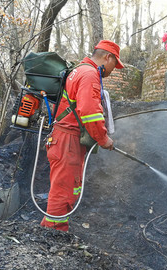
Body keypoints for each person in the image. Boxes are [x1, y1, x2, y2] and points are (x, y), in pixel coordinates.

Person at [40, 40, 124, 232]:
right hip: (67, 141)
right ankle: (53, 237)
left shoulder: (80, 70)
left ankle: (49, 233)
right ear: (107, 57)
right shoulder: (89, 74)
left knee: (65, 189)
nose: (114, 69)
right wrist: (103, 139)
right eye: (114, 64)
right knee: (63, 192)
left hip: (64, 139)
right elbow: (90, 113)